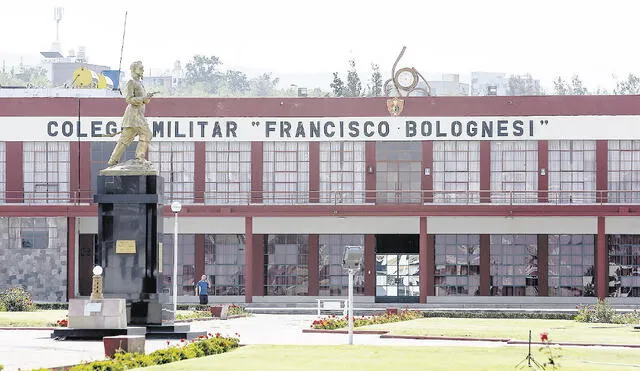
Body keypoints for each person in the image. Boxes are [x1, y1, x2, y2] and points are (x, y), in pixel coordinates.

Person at [107, 60, 156, 166]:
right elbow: (129, 99)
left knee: (125, 139)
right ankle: (139, 158)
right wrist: (143, 98)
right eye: (140, 68)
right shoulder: (131, 82)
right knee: (146, 134)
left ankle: (113, 160)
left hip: (138, 115)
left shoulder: (140, 83)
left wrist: (147, 98)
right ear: (134, 69)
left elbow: (143, 100)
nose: (143, 70)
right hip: (134, 115)